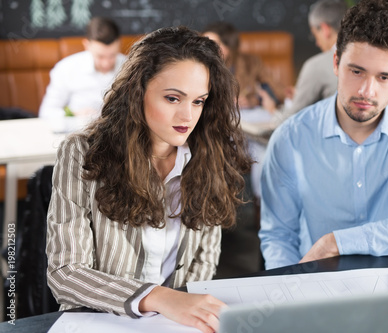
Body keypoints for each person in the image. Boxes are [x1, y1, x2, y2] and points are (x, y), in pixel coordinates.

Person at [46, 26, 252, 333]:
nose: (187, 117)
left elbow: (202, 268)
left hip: (174, 325)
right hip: (98, 322)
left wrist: (181, 309)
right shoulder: (81, 152)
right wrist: (158, 298)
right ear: (137, 91)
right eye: (173, 98)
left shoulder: (209, 155)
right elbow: (65, 273)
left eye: (198, 101)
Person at [259, 0, 388, 270]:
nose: (366, 91)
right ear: (337, 62)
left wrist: (336, 242)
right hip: (316, 286)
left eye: (384, 77)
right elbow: (279, 237)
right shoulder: (290, 138)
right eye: (356, 71)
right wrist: (288, 295)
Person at [272, 0, 347, 124]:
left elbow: (289, 120)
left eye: (315, 35)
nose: (317, 43)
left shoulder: (317, 65)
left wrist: (273, 111)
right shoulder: (373, 57)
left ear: (325, 29)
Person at [39, 17, 126, 120]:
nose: (106, 63)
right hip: (78, 130)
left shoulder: (130, 65)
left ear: (119, 44)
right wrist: (73, 115)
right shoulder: (66, 68)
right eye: (100, 56)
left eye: (112, 56)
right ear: (87, 45)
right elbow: (47, 112)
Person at [201, 21, 283, 113]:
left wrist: (254, 101)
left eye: (213, 44)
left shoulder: (251, 62)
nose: (206, 49)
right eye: (204, 44)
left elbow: (276, 91)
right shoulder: (196, 64)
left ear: (229, 47)